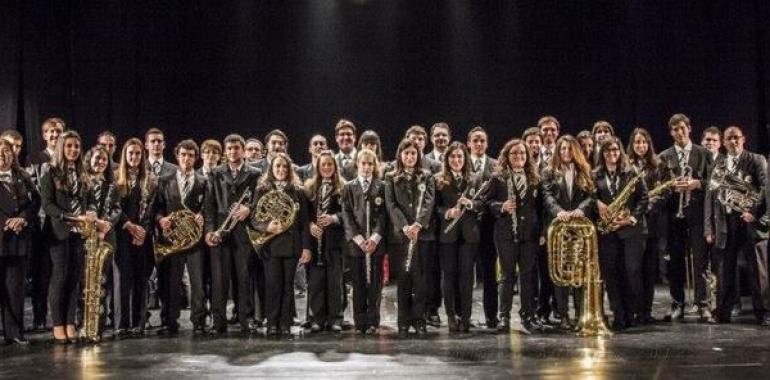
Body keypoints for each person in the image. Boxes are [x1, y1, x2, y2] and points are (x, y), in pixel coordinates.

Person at [705, 125, 769, 325]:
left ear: (743, 139)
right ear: (723, 142)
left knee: (757, 270)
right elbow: (710, 197)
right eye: (729, 139)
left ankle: (764, 313)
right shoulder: (719, 163)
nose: (733, 142)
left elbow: (766, 190)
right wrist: (709, 227)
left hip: (750, 219)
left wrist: (754, 212)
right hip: (726, 221)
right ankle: (722, 313)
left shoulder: (756, 159)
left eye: (736, 138)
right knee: (726, 270)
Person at [658, 113, 714, 322]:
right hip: (674, 216)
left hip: (698, 214)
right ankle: (677, 303)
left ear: (689, 128)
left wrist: (697, 184)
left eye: (682, 128)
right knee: (675, 264)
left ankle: (703, 305)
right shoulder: (664, 156)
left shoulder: (704, 154)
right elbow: (659, 188)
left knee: (701, 262)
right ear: (670, 132)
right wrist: (671, 186)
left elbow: (714, 183)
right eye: (674, 130)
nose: (679, 133)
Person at [41, 130, 95, 343]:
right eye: (69, 146)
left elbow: (89, 200)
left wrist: (90, 211)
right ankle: (57, 324)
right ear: (61, 147)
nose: (73, 150)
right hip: (59, 232)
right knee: (59, 278)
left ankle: (70, 322)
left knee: (74, 279)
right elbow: (47, 205)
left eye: (76, 146)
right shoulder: (50, 173)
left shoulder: (83, 173)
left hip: (79, 234)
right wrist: (72, 218)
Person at [484, 139, 543, 334]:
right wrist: (500, 207)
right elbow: (486, 202)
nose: (519, 157)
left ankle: (528, 316)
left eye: (522, 154)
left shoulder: (535, 179)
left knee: (527, 277)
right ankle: (504, 317)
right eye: (514, 154)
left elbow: (540, 209)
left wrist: (541, 232)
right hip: (505, 234)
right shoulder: (498, 178)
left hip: (529, 235)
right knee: (507, 276)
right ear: (507, 157)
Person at [204, 134, 260, 334]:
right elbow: (209, 206)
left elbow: (260, 201)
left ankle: (246, 319)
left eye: (236, 148)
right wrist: (209, 231)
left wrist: (249, 209)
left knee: (244, 276)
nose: (232, 151)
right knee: (220, 278)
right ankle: (218, 322)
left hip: (244, 232)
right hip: (221, 230)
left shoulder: (255, 173)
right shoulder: (216, 173)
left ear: (243, 150)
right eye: (229, 149)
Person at [251, 153, 312, 335]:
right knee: (272, 285)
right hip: (271, 244)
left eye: (285, 167)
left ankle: (285, 324)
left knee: (287, 286)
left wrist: (306, 247)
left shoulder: (298, 191)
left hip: (292, 245)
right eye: (278, 166)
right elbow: (254, 217)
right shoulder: (262, 189)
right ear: (271, 168)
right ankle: (272, 323)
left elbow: (304, 221)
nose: (281, 170)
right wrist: (267, 226)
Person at [153, 140, 209, 335]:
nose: (187, 159)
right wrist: (161, 220)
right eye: (183, 155)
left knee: (198, 283)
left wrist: (203, 214)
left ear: (196, 157)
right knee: (171, 282)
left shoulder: (203, 181)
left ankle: (199, 322)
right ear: (177, 156)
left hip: (195, 242)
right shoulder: (164, 180)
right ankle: (169, 322)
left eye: (191, 155)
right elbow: (157, 209)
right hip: (171, 240)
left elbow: (207, 208)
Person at [541, 134, 596, 330]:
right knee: (561, 274)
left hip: (579, 228)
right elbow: (546, 197)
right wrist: (560, 212)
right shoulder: (548, 171)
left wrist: (581, 210)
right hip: (559, 228)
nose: (566, 152)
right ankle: (563, 315)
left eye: (569, 148)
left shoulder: (585, 170)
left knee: (580, 272)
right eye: (562, 149)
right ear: (558, 150)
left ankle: (581, 314)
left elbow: (592, 196)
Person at [594, 137, 648, 331]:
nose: (612, 154)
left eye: (615, 150)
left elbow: (644, 197)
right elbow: (589, 197)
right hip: (606, 232)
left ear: (620, 152)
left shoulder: (631, 172)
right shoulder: (595, 175)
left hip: (628, 230)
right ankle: (618, 314)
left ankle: (631, 313)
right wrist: (597, 203)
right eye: (608, 151)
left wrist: (631, 218)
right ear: (602, 154)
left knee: (629, 273)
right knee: (611, 275)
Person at [384, 139, 435, 335]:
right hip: (401, 236)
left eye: (413, 153)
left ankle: (419, 320)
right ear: (400, 155)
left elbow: (428, 201)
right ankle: (403, 321)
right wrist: (405, 226)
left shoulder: (427, 176)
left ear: (418, 155)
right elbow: (391, 205)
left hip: (421, 236)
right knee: (403, 280)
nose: (410, 157)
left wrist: (418, 225)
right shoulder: (391, 177)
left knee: (421, 281)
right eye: (406, 153)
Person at [434, 142, 482, 333]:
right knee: (449, 277)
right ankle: (451, 316)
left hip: (469, 235)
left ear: (465, 158)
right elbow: (435, 208)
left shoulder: (475, 179)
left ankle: (466, 317)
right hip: (448, 235)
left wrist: (470, 204)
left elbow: (482, 202)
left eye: (460, 157)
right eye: (452, 157)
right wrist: (447, 213)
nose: (456, 160)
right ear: (447, 159)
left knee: (466, 277)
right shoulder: (439, 179)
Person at [113, 138, 157, 338]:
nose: (134, 157)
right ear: (125, 155)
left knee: (141, 278)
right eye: (130, 153)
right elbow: (113, 207)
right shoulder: (115, 178)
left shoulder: (150, 180)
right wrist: (129, 226)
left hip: (142, 237)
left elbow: (152, 209)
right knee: (122, 280)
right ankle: (121, 323)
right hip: (122, 235)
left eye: (138, 154)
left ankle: (139, 322)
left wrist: (143, 231)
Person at [342, 148, 386, 334]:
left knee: (375, 284)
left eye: (370, 164)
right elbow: (346, 215)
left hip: (375, 244)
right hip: (356, 245)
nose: (367, 167)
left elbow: (384, 215)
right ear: (357, 165)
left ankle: (373, 321)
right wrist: (359, 239)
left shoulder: (381, 186)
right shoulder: (349, 187)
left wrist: (375, 238)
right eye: (363, 163)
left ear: (374, 166)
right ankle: (359, 321)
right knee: (358, 283)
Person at [0, 139, 39, 345]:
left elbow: (36, 201)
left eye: (6, 151)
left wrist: (22, 218)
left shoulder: (22, 176)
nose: (2, 154)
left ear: (12, 154)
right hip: (1, 235)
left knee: (15, 289)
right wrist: (7, 221)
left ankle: (14, 333)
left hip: (18, 240)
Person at [626, 127, 665, 323]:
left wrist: (649, 203)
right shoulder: (626, 166)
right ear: (632, 146)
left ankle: (646, 311)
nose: (640, 146)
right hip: (633, 225)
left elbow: (662, 193)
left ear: (648, 144)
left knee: (649, 270)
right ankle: (634, 308)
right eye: (637, 142)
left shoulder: (657, 166)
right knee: (633, 269)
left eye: (644, 142)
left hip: (652, 224)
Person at [82, 146, 121, 338]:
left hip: (106, 236)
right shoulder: (82, 182)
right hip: (85, 236)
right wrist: (94, 226)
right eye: (97, 158)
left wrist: (107, 225)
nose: (100, 162)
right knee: (84, 282)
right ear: (89, 159)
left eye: (104, 160)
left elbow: (117, 209)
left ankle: (98, 325)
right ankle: (82, 323)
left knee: (102, 282)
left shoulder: (111, 185)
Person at [305, 150, 345, 332]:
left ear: (335, 167)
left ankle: (335, 318)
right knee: (316, 282)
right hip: (316, 241)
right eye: (323, 165)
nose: (327, 167)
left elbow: (349, 214)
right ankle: (316, 318)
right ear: (318, 168)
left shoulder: (343, 187)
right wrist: (310, 225)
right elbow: (304, 215)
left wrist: (334, 218)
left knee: (335, 282)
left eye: (330, 164)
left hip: (335, 242)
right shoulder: (310, 188)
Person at [468, 126, 499, 328]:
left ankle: (491, 316)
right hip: (466, 227)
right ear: (468, 143)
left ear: (486, 144)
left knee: (490, 275)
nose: (479, 144)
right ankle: (464, 315)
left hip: (489, 227)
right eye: (475, 140)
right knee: (464, 275)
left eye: (482, 141)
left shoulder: (496, 166)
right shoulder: (460, 162)